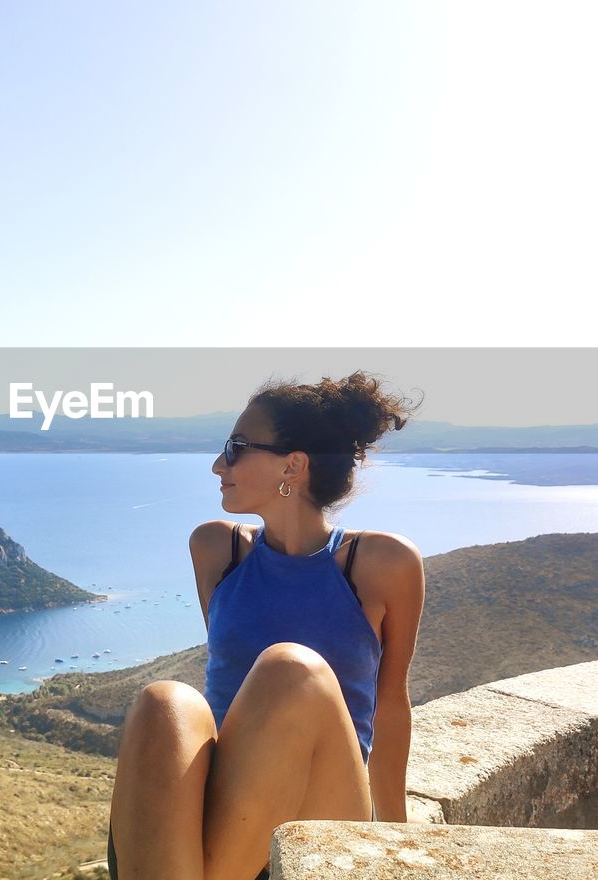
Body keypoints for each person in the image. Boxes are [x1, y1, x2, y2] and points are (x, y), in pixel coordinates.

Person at [106, 370, 426, 880]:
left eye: (236, 448)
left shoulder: (381, 562)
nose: (218, 464)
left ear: (293, 465)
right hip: (230, 796)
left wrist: (396, 841)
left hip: (325, 796)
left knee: (289, 670)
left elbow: (389, 704)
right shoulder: (215, 550)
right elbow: (230, 680)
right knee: (164, 702)